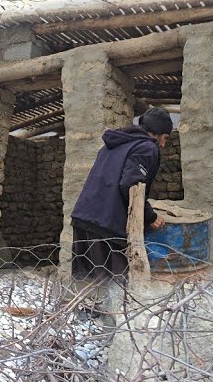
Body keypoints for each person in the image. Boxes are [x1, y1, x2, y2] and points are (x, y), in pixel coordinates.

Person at [70, 107, 174, 279]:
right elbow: (131, 185)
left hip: (83, 218)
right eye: (165, 138)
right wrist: (151, 217)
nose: (162, 144)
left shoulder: (114, 144)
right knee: (113, 288)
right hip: (107, 227)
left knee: (85, 284)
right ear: (157, 132)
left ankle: (81, 307)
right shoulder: (147, 147)